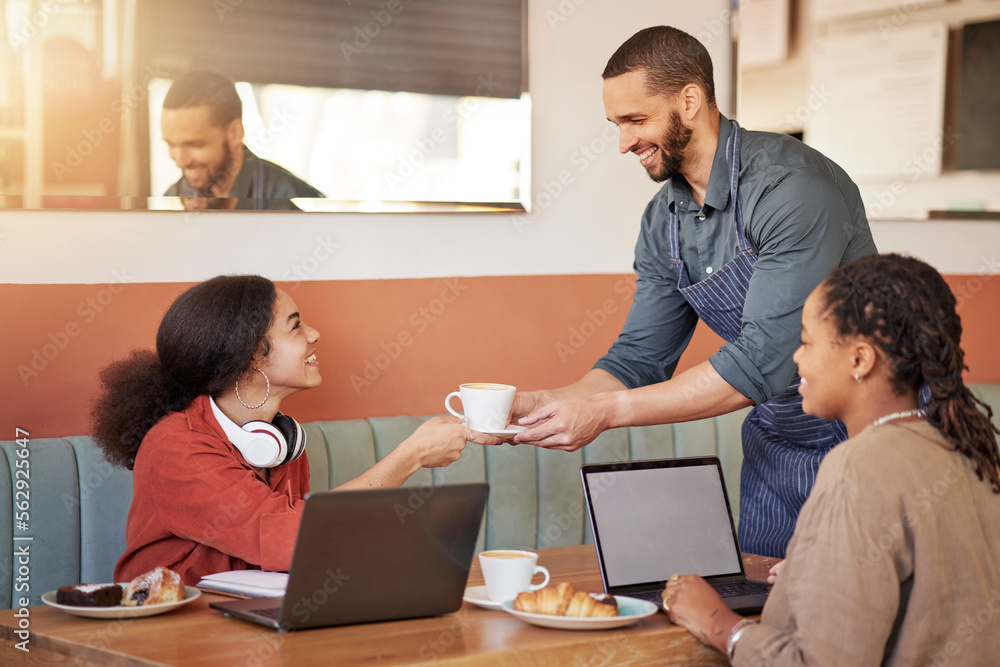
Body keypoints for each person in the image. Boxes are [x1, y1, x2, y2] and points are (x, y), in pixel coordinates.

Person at [510, 25, 877, 558]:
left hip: (868, 434)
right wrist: (550, 403)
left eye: (636, 120)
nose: (624, 143)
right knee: (764, 613)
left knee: (864, 618)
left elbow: (765, 361)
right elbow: (640, 358)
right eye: (616, 124)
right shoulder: (664, 221)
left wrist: (608, 413)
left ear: (690, 98)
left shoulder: (790, 188)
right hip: (778, 437)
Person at [660, 253, 1000, 665]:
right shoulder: (969, 448)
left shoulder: (857, 467)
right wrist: (819, 570)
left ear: (859, 359)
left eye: (805, 341)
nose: (796, 359)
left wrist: (721, 625)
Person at [92, 275, 499, 585]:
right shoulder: (175, 446)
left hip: (252, 625)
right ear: (250, 356)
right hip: (173, 634)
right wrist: (412, 456)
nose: (314, 334)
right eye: (295, 326)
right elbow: (294, 539)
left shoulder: (281, 442)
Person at [160, 70, 323, 210]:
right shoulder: (171, 199)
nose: (180, 161)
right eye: (171, 144)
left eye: (195, 144)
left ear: (235, 133)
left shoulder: (294, 201)